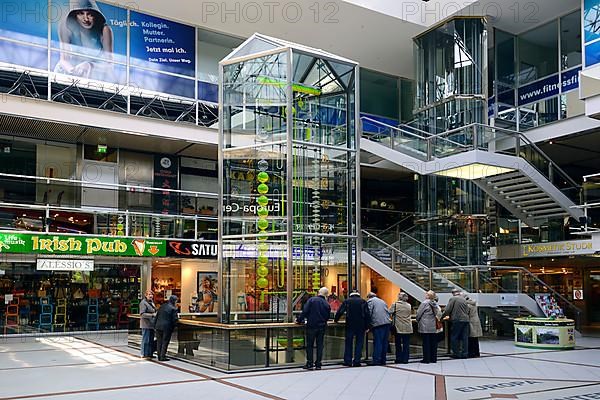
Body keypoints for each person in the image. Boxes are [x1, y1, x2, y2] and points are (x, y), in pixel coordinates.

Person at [55, 0, 114, 80]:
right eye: (81, 13)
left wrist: (90, 66)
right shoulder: (65, 26)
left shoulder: (105, 30)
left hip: (92, 76)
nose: (86, 19)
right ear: (75, 15)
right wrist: (74, 72)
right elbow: (64, 60)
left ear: (96, 15)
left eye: (90, 14)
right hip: (67, 74)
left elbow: (110, 66)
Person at [296, 287, 331, 370]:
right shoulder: (326, 304)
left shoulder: (312, 300)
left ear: (319, 292)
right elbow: (327, 316)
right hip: (322, 327)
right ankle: (318, 363)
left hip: (311, 326)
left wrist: (299, 320)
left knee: (310, 345)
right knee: (320, 345)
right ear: (326, 295)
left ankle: (309, 363)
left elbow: (305, 311)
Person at [334, 289, 369, 367]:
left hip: (350, 325)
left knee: (348, 343)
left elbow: (340, 311)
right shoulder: (363, 301)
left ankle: (348, 360)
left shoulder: (347, 301)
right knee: (359, 343)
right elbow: (367, 314)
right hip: (361, 325)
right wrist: (367, 326)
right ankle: (357, 360)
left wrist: (336, 320)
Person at [442, 288, 470, 359]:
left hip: (457, 320)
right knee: (464, 338)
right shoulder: (464, 300)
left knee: (454, 337)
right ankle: (465, 353)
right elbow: (467, 310)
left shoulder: (453, 299)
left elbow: (447, 310)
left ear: (453, 293)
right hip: (466, 320)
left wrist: (442, 317)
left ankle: (456, 353)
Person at [416, 290, 441, 364]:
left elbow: (419, 313)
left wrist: (418, 320)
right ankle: (433, 358)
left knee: (426, 342)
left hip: (425, 325)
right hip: (432, 325)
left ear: (428, 296)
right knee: (433, 342)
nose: (425, 295)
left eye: (426, 294)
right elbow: (438, 313)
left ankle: (426, 359)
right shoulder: (434, 303)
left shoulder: (424, 303)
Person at [366, 288, 390, 366]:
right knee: (384, 342)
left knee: (378, 342)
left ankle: (376, 360)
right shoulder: (382, 301)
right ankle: (383, 360)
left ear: (369, 297)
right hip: (386, 323)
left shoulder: (370, 301)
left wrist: (367, 325)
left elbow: (368, 313)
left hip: (378, 324)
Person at [389, 292, 412, 364]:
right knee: (406, 344)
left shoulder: (395, 305)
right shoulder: (409, 305)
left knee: (398, 343)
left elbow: (389, 312)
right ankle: (405, 359)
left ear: (399, 297)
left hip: (398, 326)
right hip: (408, 326)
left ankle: (398, 358)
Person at [154, 295, 179, 361]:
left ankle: (159, 355)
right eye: (176, 301)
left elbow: (157, 315)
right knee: (165, 341)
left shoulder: (162, 306)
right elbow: (174, 319)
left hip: (158, 326)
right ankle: (162, 356)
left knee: (159, 341)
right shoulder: (174, 308)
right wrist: (175, 326)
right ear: (175, 301)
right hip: (167, 327)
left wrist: (155, 325)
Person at [139, 290, 156, 359]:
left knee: (151, 340)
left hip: (151, 325)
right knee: (146, 340)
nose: (150, 296)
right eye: (149, 294)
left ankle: (149, 353)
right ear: (146, 295)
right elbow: (142, 314)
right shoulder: (143, 303)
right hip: (146, 325)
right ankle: (144, 354)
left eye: (151, 294)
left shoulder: (151, 302)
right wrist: (152, 315)